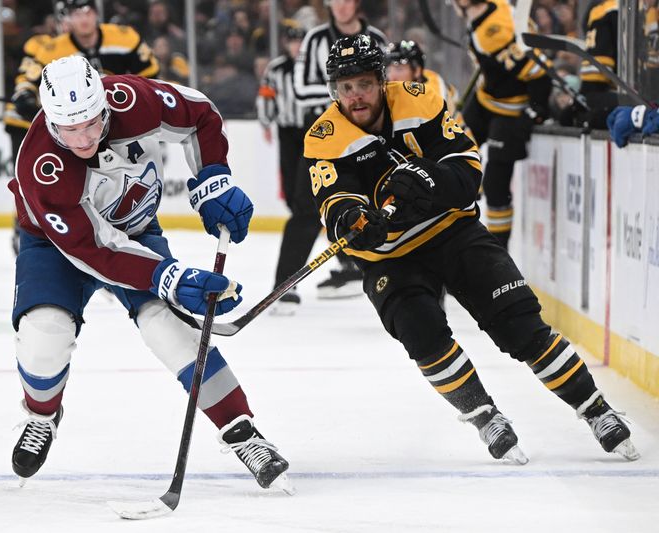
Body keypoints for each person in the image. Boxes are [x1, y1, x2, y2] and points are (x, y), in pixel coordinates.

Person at [303, 34, 639, 464]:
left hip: (451, 231)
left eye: (364, 84)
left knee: (521, 325)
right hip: (389, 258)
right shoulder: (324, 137)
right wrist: (354, 222)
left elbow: (467, 169)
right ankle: (485, 416)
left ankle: (595, 408)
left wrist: (430, 180)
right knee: (422, 335)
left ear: (381, 81)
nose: (355, 97)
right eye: (345, 88)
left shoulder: (420, 101)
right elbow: (334, 201)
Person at [9, 55, 292, 492]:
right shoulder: (40, 167)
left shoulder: (129, 99)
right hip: (56, 246)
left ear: (104, 103)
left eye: (91, 122)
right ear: (50, 120)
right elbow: (96, 249)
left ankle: (241, 430)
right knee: (44, 333)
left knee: (166, 326)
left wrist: (213, 177)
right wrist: (170, 276)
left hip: (136, 229)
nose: (83, 137)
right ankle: (42, 415)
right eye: (70, 128)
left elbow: (199, 112)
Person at [4, 0, 160, 254]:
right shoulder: (53, 49)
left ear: (96, 14)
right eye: (77, 14)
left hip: (107, 122)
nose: (84, 19)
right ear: (67, 19)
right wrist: (25, 94)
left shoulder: (124, 38)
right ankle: (28, 225)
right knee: (46, 182)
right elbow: (28, 78)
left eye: (88, 12)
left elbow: (151, 75)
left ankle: (117, 225)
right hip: (72, 128)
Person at [292, 0, 387, 300]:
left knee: (375, 200)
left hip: (371, 134)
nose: (341, 6)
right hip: (326, 134)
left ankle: (357, 268)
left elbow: (391, 86)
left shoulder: (378, 39)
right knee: (308, 208)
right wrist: (348, 93)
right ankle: (285, 284)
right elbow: (299, 88)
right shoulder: (316, 38)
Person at [452, 0, 552, 251]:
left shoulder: (495, 29)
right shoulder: (489, 10)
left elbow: (540, 73)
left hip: (510, 110)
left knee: (495, 184)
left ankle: (497, 256)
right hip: (486, 100)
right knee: (451, 151)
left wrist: (535, 111)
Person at [256, 24, 308, 314]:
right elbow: (266, 96)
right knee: (293, 196)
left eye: (301, 41)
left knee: (307, 203)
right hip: (288, 132)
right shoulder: (276, 69)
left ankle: (345, 263)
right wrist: (266, 121)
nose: (296, 46)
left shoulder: (314, 66)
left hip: (311, 131)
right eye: (293, 41)